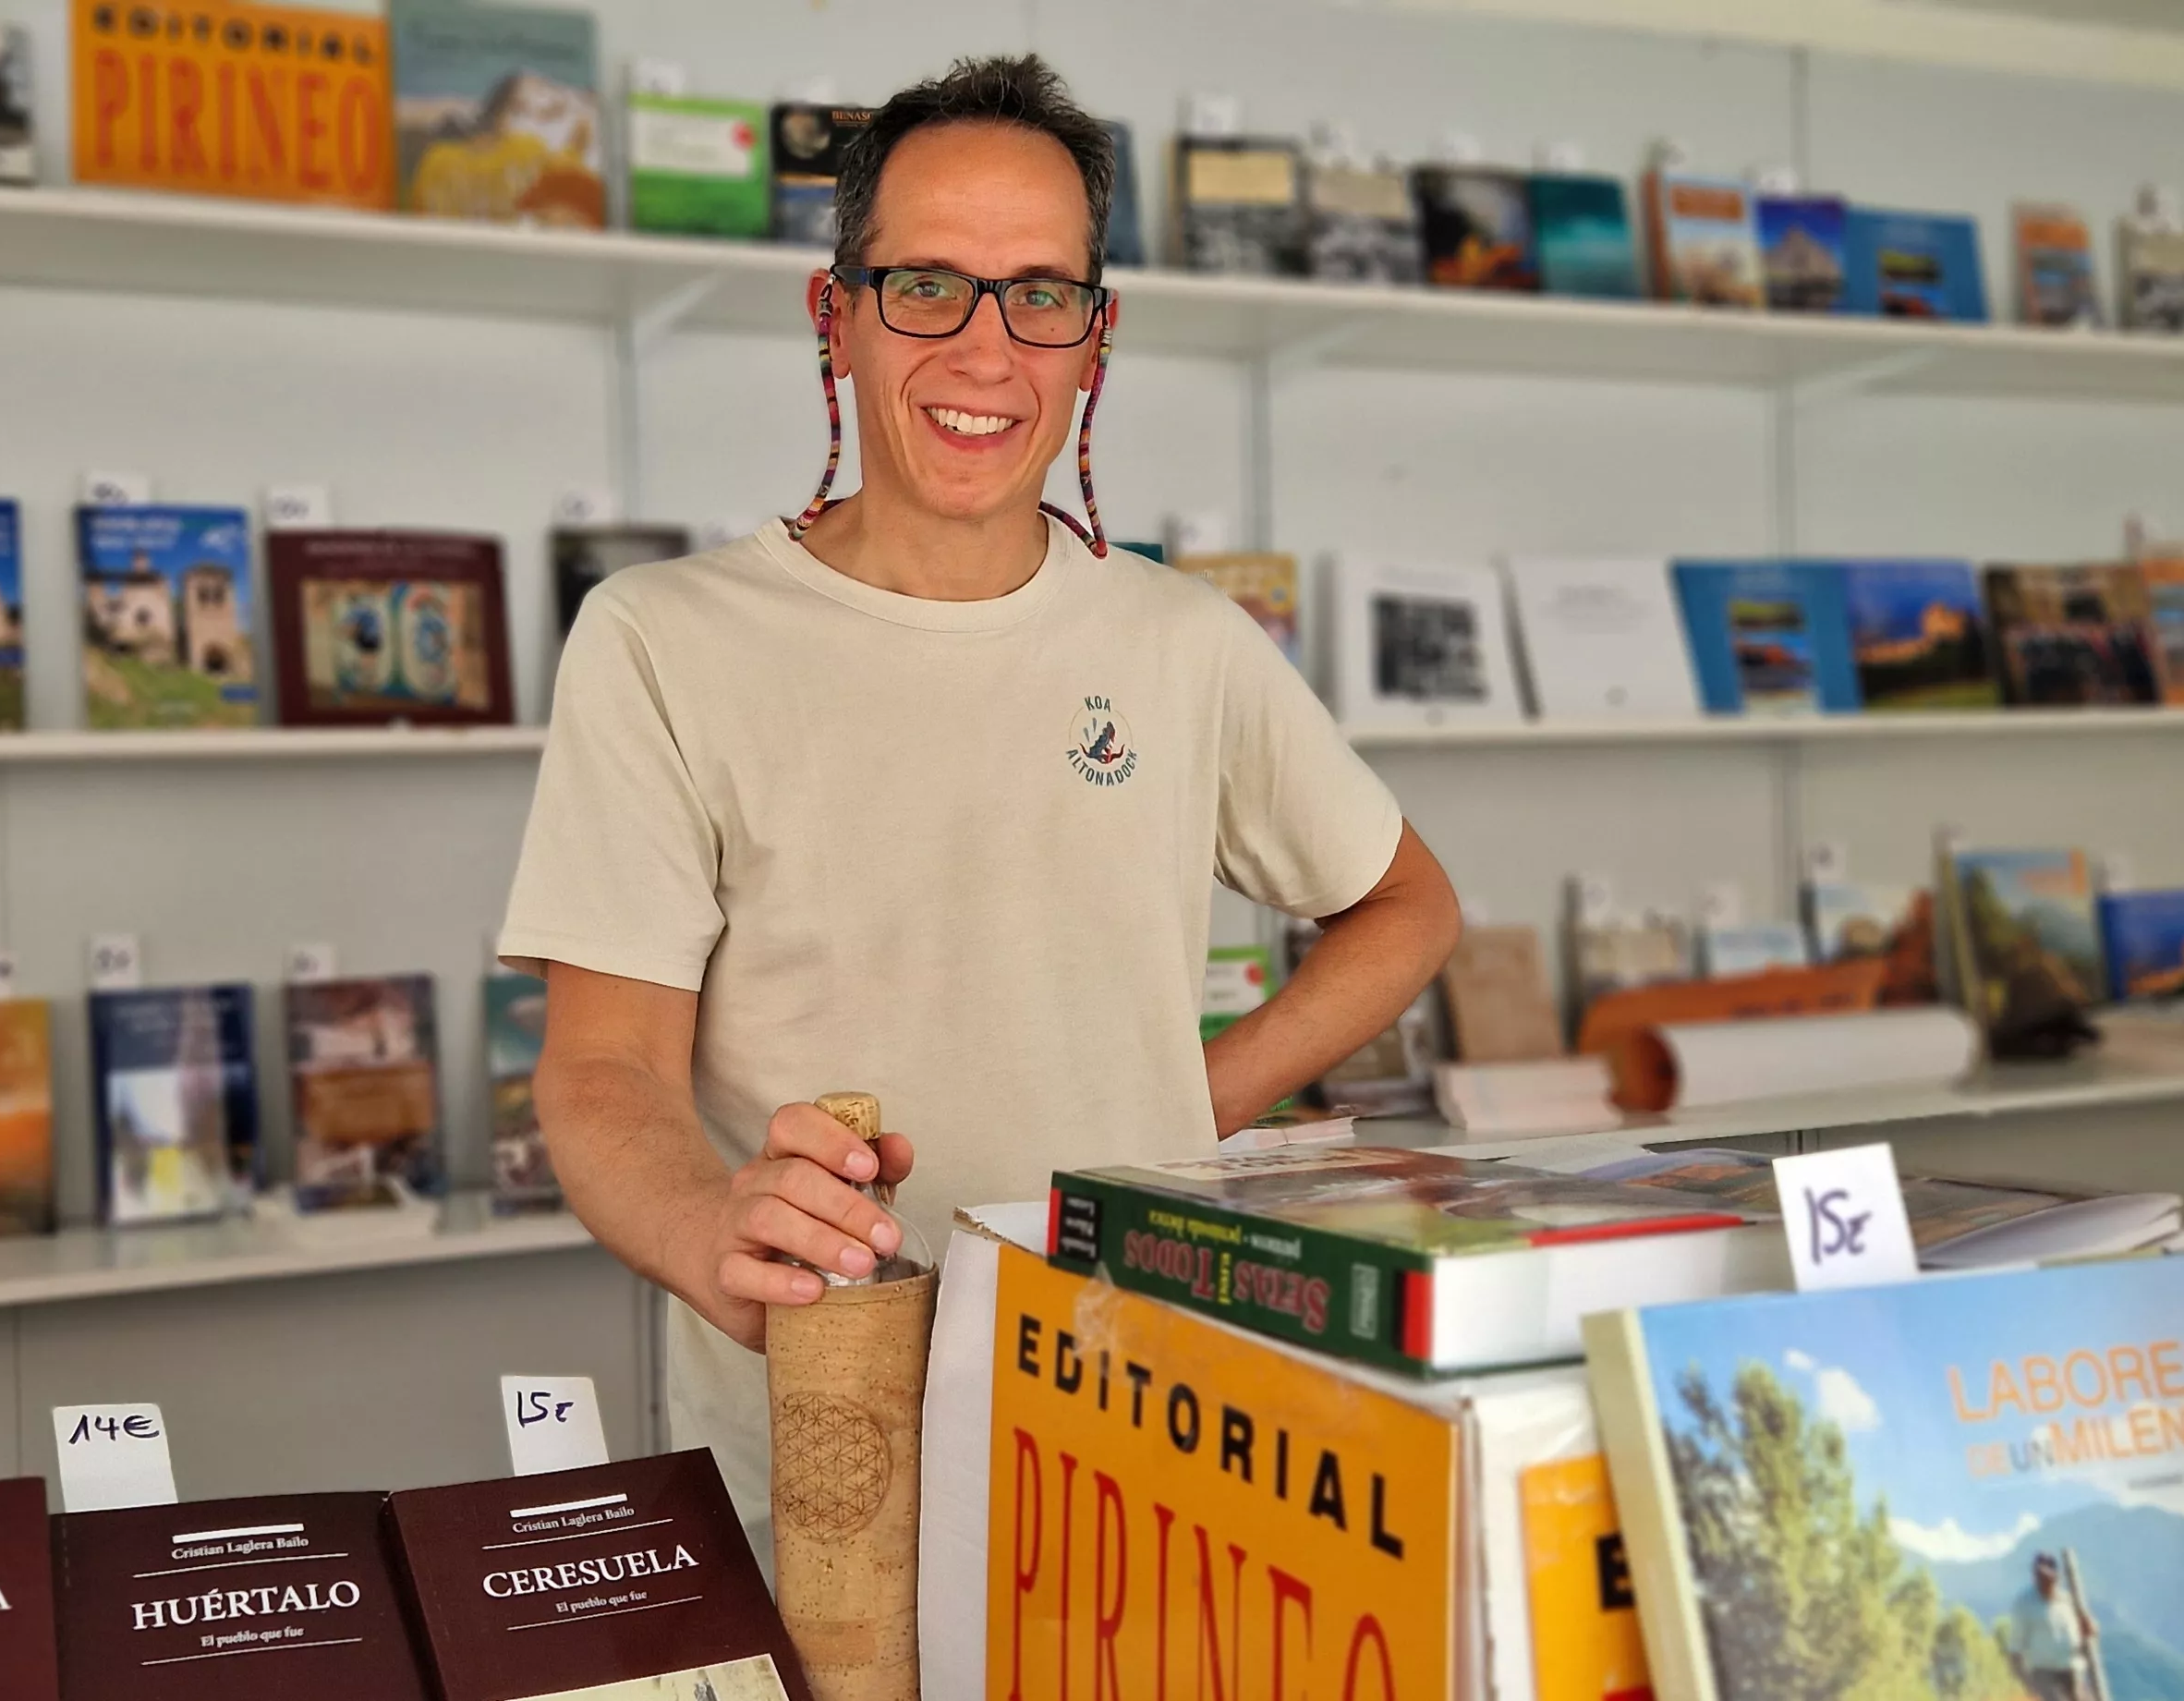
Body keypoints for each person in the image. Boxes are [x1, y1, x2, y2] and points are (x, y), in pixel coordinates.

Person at [496, 54, 1462, 1533]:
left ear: (1094, 336)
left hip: (1142, 1404)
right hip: (821, 1447)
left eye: (1041, 293)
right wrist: (713, 1228)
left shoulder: (1181, 638)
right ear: (837, 315)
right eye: (926, 285)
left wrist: (1174, 1107)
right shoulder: (658, 638)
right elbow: (602, 1067)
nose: (986, 348)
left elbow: (1405, 906)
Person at [2001, 1550, 2098, 1701]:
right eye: (2039, 1576)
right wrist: (2026, 1683)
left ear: (2056, 1577)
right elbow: (2015, 1649)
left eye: (2048, 1576)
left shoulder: (2068, 1599)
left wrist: (2088, 1625)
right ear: (2034, 1576)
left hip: (2072, 1668)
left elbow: (2090, 1631)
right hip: (2043, 1673)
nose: (2044, 1580)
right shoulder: (2025, 1603)